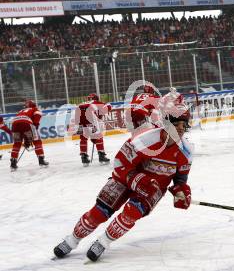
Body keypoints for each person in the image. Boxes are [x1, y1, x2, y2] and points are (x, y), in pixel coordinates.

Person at [53, 104, 193, 262]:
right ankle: (71, 240)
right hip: (125, 178)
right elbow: (120, 164)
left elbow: (180, 178)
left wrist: (181, 191)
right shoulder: (144, 139)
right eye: (176, 124)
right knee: (99, 212)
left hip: (152, 188)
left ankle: (103, 242)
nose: (181, 129)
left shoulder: (186, 150)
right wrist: (137, 180)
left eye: (184, 125)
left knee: (131, 213)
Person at [74, 93, 112, 166]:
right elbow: (109, 106)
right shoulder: (97, 102)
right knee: (98, 136)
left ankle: (84, 157)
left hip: (78, 116)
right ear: (96, 98)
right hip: (90, 117)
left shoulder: (83, 103)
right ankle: (101, 155)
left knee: (83, 138)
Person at [10, 100, 48, 170]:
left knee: (17, 143)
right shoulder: (35, 109)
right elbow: (37, 117)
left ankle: (13, 162)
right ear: (34, 104)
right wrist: (36, 125)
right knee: (37, 141)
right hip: (26, 123)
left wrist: (27, 142)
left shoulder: (21, 110)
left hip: (14, 124)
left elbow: (23, 131)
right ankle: (41, 160)